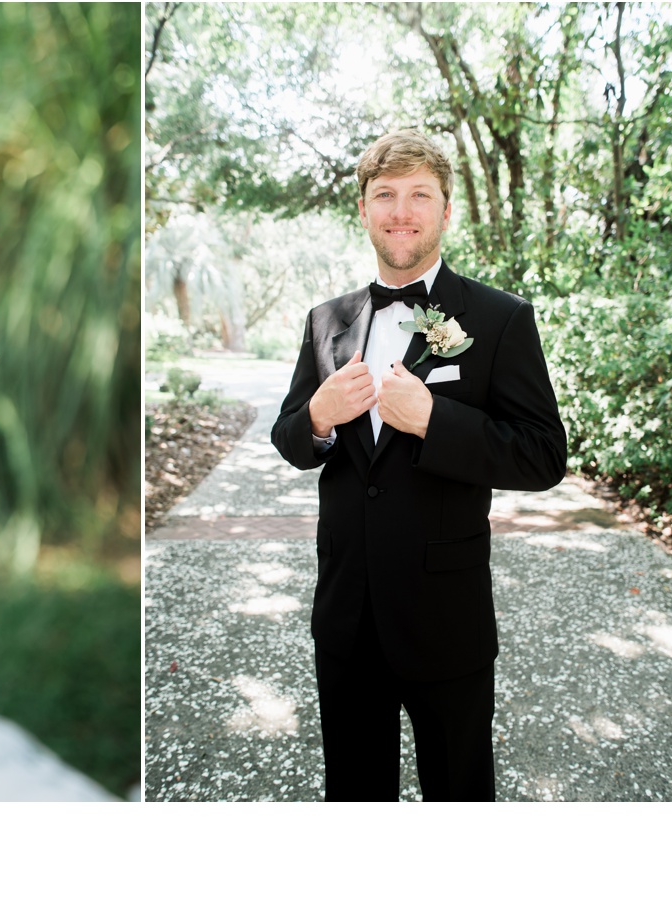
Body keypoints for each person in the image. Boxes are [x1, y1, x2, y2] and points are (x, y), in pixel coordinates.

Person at [269, 130, 568, 801]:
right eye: (385, 196)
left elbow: (543, 454)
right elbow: (289, 439)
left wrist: (436, 421)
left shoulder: (498, 319)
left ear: (445, 210)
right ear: (362, 209)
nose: (400, 210)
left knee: (458, 793)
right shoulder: (326, 322)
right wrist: (316, 416)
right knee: (353, 794)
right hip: (345, 616)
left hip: (445, 619)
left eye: (417, 196)